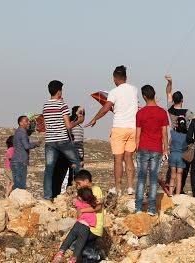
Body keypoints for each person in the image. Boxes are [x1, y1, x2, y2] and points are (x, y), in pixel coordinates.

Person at [87, 65, 139, 195]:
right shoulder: (134, 89)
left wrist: (94, 119)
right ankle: (130, 187)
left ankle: (118, 188)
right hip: (133, 128)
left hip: (119, 127)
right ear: (126, 77)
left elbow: (106, 108)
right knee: (129, 158)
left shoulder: (114, 92)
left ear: (114, 78)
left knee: (118, 159)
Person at [43, 80, 83, 200]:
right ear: (59, 92)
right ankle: (79, 191)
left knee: (49, 169)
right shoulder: (62, 105)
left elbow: (46, 125)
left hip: (50, 141)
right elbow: (68, 126)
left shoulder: (45, 106)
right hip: (62, 140)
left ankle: (47, 196)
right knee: (76, 163)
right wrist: (78, 121)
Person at [134, 85, 168, 215]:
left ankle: (138, 207)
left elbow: (138, 134)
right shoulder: (162, 112)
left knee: (141, 178)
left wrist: (136, 148)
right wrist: (165, 149)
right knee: (153, 179)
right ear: (154, 94)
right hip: (157, 149)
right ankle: (152, 209)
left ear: (144, 96)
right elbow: (164, 133)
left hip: (143, 147)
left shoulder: (140, 113)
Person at [52, 186, 99, 263]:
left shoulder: (78, 203)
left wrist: (77, 204)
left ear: (80, 197)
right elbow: (98, 205)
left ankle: (60, 253)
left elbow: (79, 215)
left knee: (69, 238)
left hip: (77, 225)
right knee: (79, 245)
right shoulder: (92, 205)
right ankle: (73, 260)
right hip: (85, 228)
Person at [165, 75, 192, 194]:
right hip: (184, 141)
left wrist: (170, 82)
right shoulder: (187, 112)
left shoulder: (170, 110)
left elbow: (168, 92)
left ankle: (169, 187)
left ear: (174, 100)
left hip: (174, 139)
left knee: (172, 166)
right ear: (182, 100)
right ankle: (179, 189)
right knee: (183, 167)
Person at [74, 169, 104, 261]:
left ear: (86, 181)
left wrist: (82, 210)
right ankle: (95, 255)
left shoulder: (95, 190)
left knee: (79, 247)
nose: (78, 186)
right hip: (86, 226)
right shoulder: (83, 193)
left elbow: (97, 207)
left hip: (94, 228)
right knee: (84, 250)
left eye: (79, 183)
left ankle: (97, 256)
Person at [12, 115, 38, 191]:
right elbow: (26, 146)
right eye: (26, 121)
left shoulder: (18, 132)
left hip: (17, 160)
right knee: (20, 186)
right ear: (20, 123)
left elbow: (28, 133)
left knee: (17, 185)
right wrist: (36, 144)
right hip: (20, 161)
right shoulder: (22, 132)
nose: (28, 123)